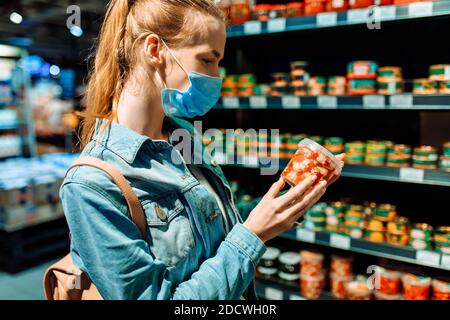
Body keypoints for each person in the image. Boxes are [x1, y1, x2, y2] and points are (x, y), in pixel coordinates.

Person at [61, 0, 344, 300]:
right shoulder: (91, 186)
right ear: (155, 51)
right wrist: (253, 236)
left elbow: (215, 233)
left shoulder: (182, 135)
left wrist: (292, 200)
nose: (217, 76)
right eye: (208, 60)